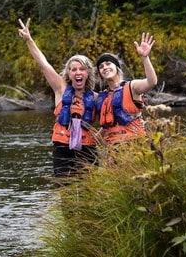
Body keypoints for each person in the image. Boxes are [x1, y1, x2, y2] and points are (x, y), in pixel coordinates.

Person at [18, 18, 98, 178]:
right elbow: (44, 64)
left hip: (87, 147)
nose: (77, 72)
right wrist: (29, 40)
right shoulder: (61, 89)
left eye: (82, 69)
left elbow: (109, 122)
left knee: (89, 188)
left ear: (87, 73)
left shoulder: (96, 98)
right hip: (63, 146)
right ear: (69, 73)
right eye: (73, 69)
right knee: (64, 186)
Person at [95, 32, 157, 144]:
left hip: (134, 145)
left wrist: (144, 57)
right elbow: (106, 127)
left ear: (117, 67)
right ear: (100, 74)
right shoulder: (103, 96)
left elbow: (151, 82)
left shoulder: (132, 87)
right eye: (101, 66)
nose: (105, 67)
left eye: (108, 64)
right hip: (112, 149)